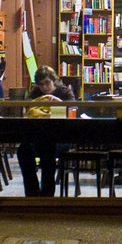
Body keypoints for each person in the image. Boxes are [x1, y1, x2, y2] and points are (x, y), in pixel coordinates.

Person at [16, 66, 74, 197]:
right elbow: (27, 108)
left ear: (54, 81)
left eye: (47, 82)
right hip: (37, 136)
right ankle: (32, 193)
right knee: (23, 150)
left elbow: (73, 110)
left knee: (48, 148)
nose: (44, 87)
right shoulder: (36, 93)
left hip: (61, 138)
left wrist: (58, 103)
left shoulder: (65, 93)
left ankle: (47, 194)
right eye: (41, 84)